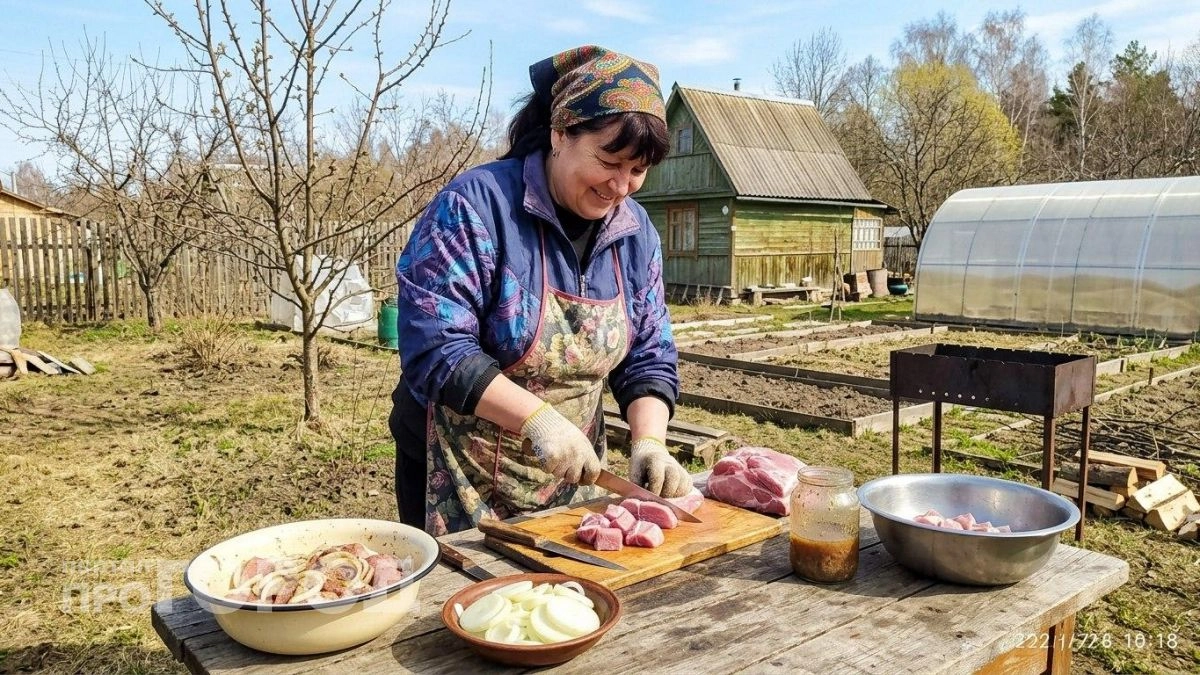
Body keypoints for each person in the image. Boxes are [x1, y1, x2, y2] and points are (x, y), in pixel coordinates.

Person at [389, 45, 692, 536]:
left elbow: (649, 354)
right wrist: (539, 421)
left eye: (638, 171)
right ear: (559, 133)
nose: (621, 187)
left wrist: (650, 442)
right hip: (457, 471)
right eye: (609, 161)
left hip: (572, 473)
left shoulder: (636, 234)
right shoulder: (476, 207)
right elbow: (435, 346)